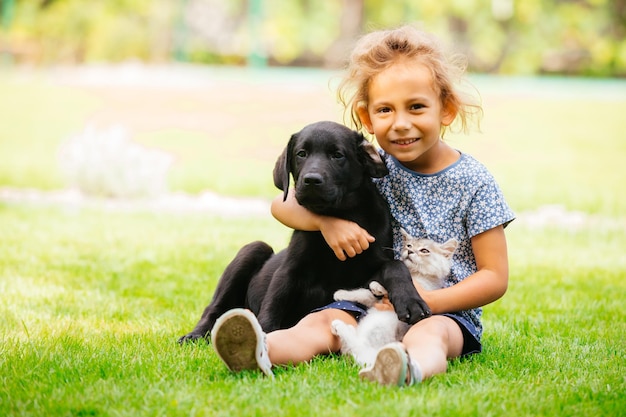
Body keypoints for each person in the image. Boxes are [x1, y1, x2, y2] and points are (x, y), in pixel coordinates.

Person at [210, 25, 515, 386]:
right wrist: (326, 224)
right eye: (385, 110)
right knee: (320, 323)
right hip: (364, 301)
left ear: (446, 109)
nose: (401, 124)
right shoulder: (372, 165)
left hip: (444, 310)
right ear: (367, 118)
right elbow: (281, 205)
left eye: (416, 107)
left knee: (430, 335)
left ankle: (408, 367)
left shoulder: (474, 182)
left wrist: (430, 302)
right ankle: (260, 348)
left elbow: (494, 277)